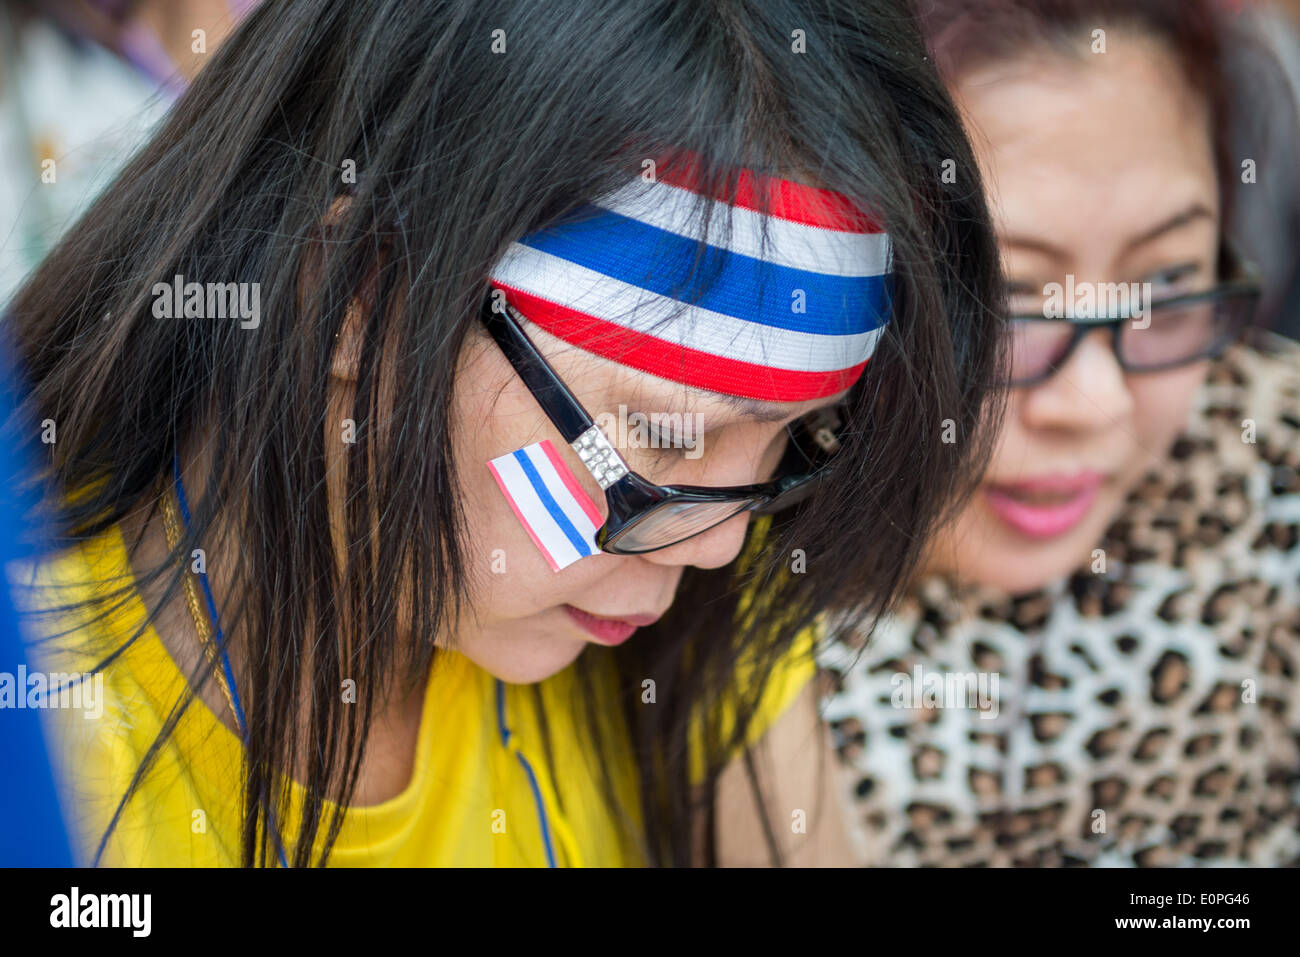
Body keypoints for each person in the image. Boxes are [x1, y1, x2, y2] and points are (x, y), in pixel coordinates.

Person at [4, 0, 1005, 866]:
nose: (721, 546)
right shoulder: (41, 747)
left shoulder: (693, 635)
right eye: (664, 434)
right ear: (352, 300)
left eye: (797, 434)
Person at [819, 0, 1300, 866]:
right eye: (1008, 299)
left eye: (1164, 282)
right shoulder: (673, 574)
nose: (1098, 402)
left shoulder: (1276, 478)